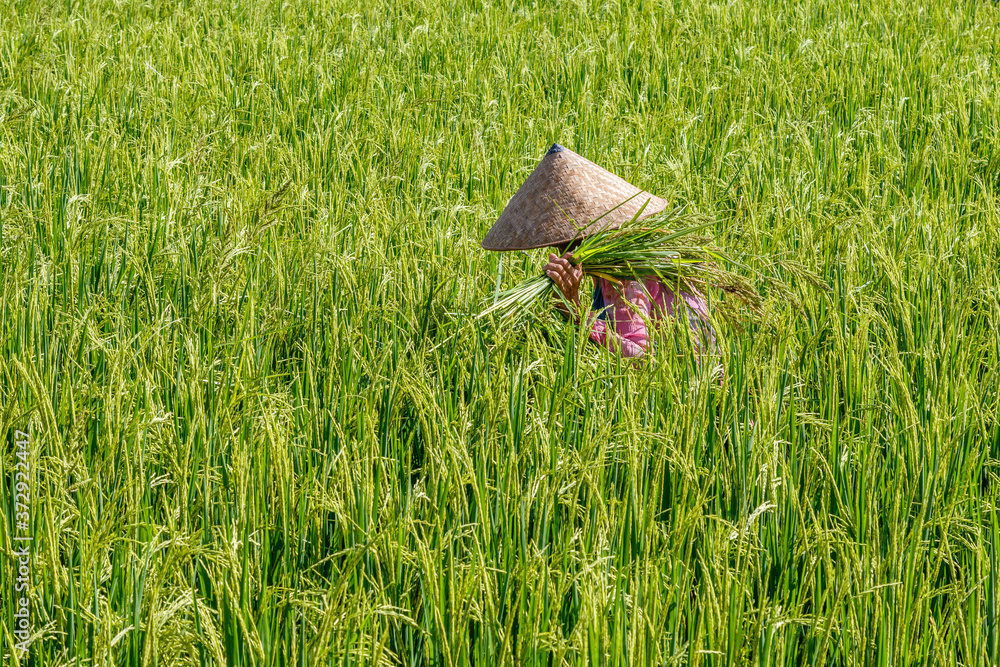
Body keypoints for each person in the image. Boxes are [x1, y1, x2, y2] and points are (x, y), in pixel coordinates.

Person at [481, 143, 715, 359]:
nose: (559, 249)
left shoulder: (627, 273)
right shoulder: (619, 258)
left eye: (562, 240)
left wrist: (574, 312)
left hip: (688, 383)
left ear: (586, 235)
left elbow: (640, 358)